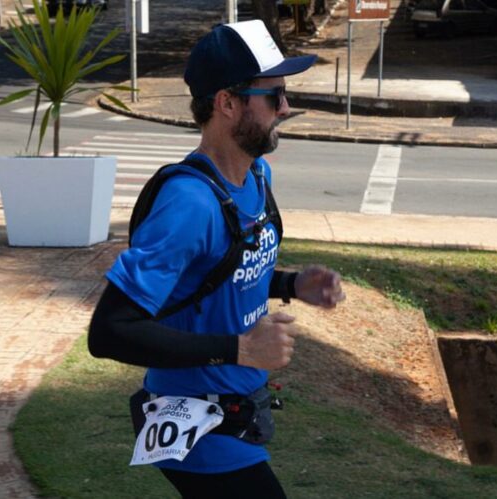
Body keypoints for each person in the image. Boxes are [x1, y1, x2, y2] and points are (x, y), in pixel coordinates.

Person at [88, 19, 345, 499]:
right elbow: (108, 331)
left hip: (238, 409)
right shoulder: (189, 204)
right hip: (195, 421)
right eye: (273, 96)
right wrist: (242, 351)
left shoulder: (256, 175)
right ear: (227, 103)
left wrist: (290, 284)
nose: (286, 108)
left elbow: (218, 272)